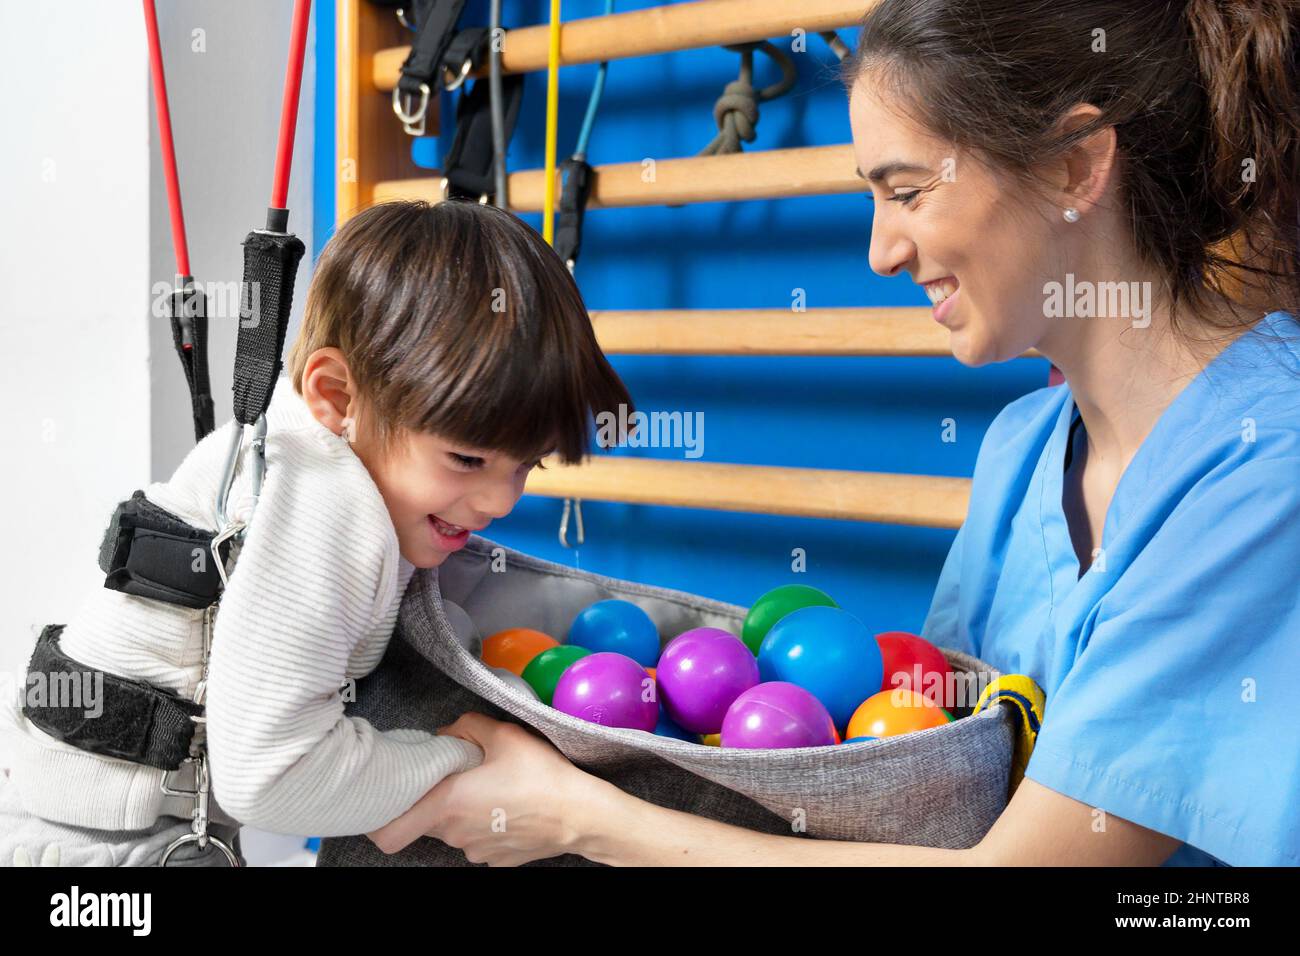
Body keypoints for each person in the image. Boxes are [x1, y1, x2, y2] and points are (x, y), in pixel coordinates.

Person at [368, 0, 1300, 866]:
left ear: (1072, 167)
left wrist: (583, 816)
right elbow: (929, 791)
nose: (881, 252)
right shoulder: (1021, 449)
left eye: (906, 192)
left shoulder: (1269, 462)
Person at [0, 200, 634, 866]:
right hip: (92, 850)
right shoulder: (327, 503)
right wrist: (462, 759)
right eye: (468, 460)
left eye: (526, 464)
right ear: (337, 397)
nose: (501, 500)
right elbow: (271, 777)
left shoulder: (296, 451)